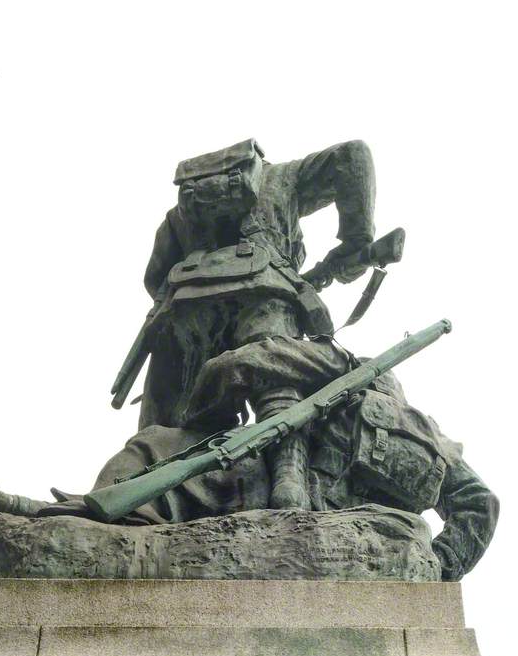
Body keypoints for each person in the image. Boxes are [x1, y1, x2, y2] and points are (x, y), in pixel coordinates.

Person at [0, 336, 498, 581]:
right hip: (258, 491)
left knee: (148, 465)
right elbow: (479, 504)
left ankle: (5, 502)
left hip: (244, 488)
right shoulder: (433, 440)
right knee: (136, 490)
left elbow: (230, 368)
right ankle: (6, 504)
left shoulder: (335, 368)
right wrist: (442, 568)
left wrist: (217, 419)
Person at [125, 138, 378, 508]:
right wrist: (357, 240)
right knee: (276, 382)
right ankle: (287, 483)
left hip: (185, 313)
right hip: (265, 296)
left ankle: (147, 496)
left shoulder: (181, 213)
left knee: (175, 420)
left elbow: (155, 279)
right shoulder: (284, 178)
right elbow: (353, 155)